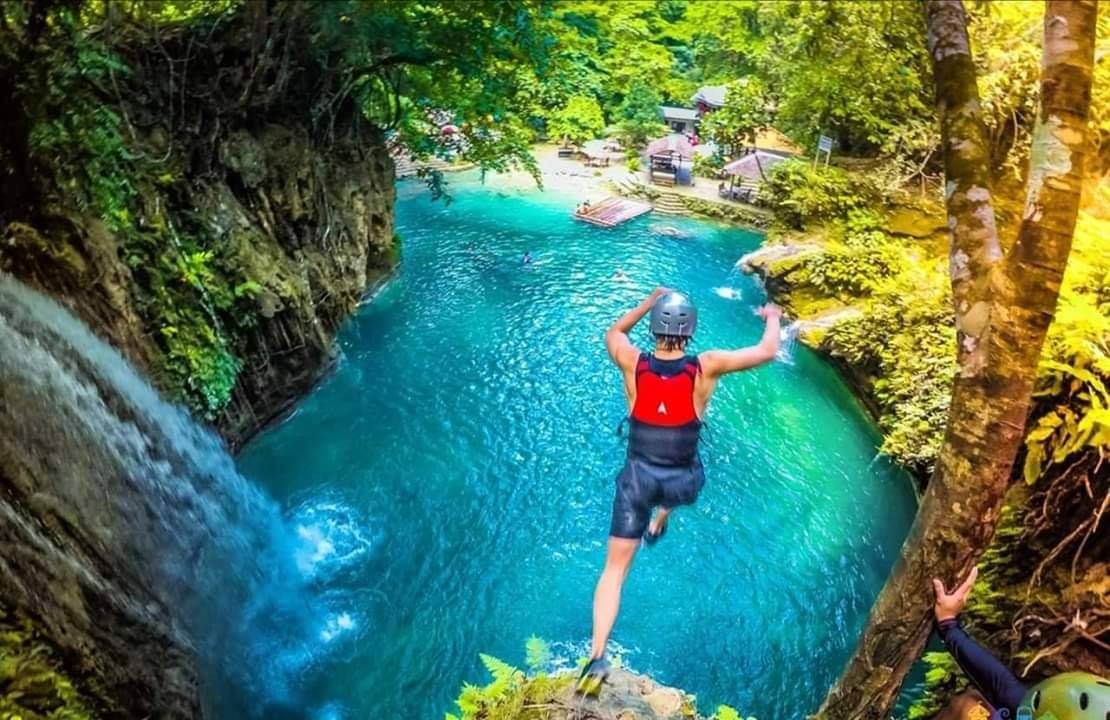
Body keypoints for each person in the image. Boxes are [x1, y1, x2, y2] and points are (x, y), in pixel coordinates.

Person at [576, 288, 783, 695]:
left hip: (637, 480)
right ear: (691, 330)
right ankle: (661, 520)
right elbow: (766, 352)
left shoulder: (632, 361)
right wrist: (772, 317)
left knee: (614, 571)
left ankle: (597, 656)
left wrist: (646, 303)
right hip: (681, 481)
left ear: (655, 325)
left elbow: (613, 331)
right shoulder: (707, 366)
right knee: (680, 489)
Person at [931, 567, 1109, 719]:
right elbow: (1001, 683)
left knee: (967, 707)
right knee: (970, 704)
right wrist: (948, 624)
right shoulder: (1036, 708)